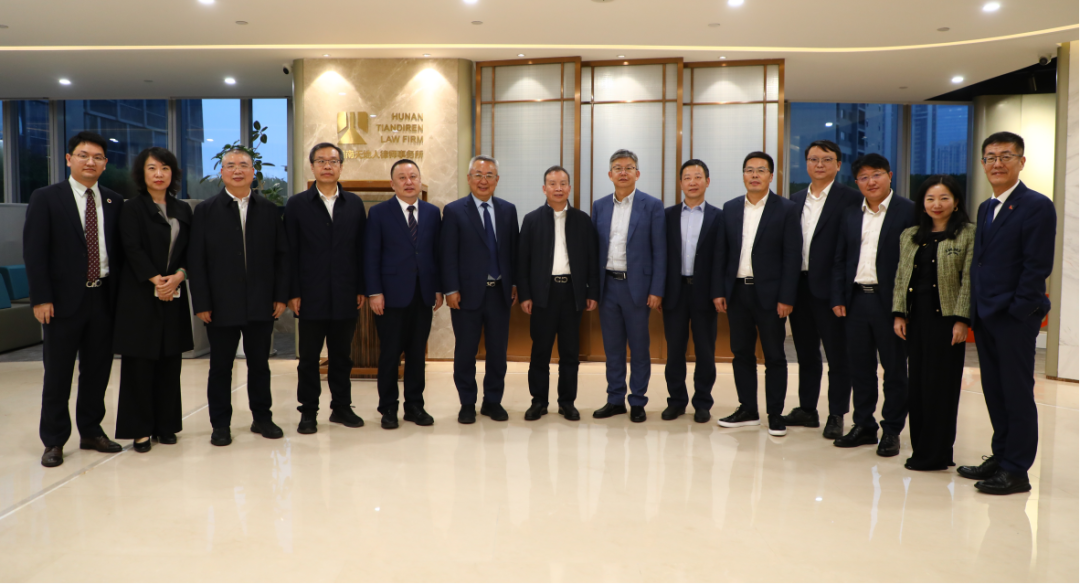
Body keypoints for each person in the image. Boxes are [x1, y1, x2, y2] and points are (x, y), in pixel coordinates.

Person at [958, 131, 1055, 495]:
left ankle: (1016, 470)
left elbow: (1036, 265)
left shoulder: (1036, 205)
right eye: (990, 157)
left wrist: (1019, 311)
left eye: (1005, 156)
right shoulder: (987, 207)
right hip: (987, 315)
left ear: (1021, 162)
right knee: (995, 391)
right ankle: (1001, 456)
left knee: (1016, 393)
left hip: (1013, 317)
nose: (997, 163)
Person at [24, 131, 124, 467]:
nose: (90, 162)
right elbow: (34, 252)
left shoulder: (113, 200)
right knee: (58, 374)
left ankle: (91, 431)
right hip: (62, 302)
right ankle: (54, 440)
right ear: (69, 159)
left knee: (97, 371)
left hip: (103, 297)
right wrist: (41, 297)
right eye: (83, 155)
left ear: (105, 163)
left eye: (97, 157)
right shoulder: (46, 198)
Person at [188, 148, 289, 447]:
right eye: (230, 165)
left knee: (260, 365)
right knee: (220, 367)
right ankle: (220, 425)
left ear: (253, 172)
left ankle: (262, 418)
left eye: (243, 165)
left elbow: (282, 257)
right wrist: (202, 302)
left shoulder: (269, 210)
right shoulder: (206, 210)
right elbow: (197, 260)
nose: (237, 170)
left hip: (261, 302)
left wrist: (280, 296)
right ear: (221, 173)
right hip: (220, 305)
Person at [830, 153, 915, 456]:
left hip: (890, 304)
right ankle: (864, 425)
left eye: (876, 174)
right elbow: (840, 258)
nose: (870, 182)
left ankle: (891, 430)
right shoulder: (851, 213)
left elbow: (914, 262)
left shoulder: (909, 211)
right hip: (856, 300)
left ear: (889, 176)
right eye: (863, 177)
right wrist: (838, 297)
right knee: (860, 368)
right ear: (857, 182)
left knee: (894, 370)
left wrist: (903, 308)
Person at [113, 147, 194, 453]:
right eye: (152, 168)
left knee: (170, 362)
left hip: (174, 292)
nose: (159, 174)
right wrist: (156, 280)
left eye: (165, 168)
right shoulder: (131, 208)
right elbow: (131, 248)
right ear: (142, 173)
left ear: (173, 173)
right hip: (140, 296)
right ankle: (140, 430)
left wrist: (179, 276)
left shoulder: (182, 209)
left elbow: (191, 250)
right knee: (140, 365)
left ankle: (166, 425)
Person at [892, 175, 975, 471]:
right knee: (918, 386)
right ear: (922, 203)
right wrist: (899, 313)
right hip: (916, 320)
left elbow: (969, 279)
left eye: (943, 198)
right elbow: (902, 275)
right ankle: (921, 450)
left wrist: (962, 319)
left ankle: (938, 454)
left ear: (956, 202)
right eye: (930, 199)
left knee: (941, 387)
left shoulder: (968, 233)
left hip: (947, 322)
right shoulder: (911, 235)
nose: (936, 204)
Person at [717, 152, 801, 436]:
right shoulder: (730, 208)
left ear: (771, 176)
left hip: (771, 296)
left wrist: (787, 297)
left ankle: (775, 414)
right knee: (741, 353)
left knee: (774, 355)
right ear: (743, 175)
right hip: (737, 292)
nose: (754, 175)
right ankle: (747, 409)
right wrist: (720, 291)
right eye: (749, 170)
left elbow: (792, 256)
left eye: (761, 170)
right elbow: (723, 253)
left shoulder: (786, 209)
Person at [285, 143, 367, 434]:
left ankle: (341, 407)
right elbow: (290, 251)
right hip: (310, 294)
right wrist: (293, 292)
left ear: (341, 166)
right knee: (308, 358)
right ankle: (308, 411)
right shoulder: (297, 204)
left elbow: (361, 250)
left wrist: (360, 287)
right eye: (321, 161)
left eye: (333, 161)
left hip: (345, 292)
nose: (327, 166)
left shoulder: (354, 203)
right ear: (312, 166)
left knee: (342, 356)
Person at [784, 140, 862, 438]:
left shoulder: (851, 199)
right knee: (805, 353)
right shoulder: (794, 200)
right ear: (806, 163)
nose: (819, 164)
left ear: (838, 165)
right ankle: (807, 409)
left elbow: (852, 248)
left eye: (826, 159)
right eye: (813, 159)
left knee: (838, 356)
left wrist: (842, 291)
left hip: (832, 291)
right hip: (799, 288)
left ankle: (836, 413)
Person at [365, 159, 443, 429]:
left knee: (417, 355)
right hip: (390, 296)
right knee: (390, 354)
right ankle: (388, 408)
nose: (408, 182)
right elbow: (371, 255)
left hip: (423, 295)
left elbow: (436, 254)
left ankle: (414, 406)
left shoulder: (432, 212)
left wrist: (438, 288)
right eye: (402, 177)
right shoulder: (379, 213)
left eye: (413, 176)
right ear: (392, 184)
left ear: (420, 181)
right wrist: (374, 292)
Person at [441, 155, 519, 424]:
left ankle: (492, 401)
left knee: (498, 352)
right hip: (466, 294)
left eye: (489, 176)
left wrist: (514, 283)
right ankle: (467, 402)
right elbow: (448, 253)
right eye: (478, 175)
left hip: (499, 292)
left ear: (497, 180)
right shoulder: (454, 211)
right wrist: (451, 289)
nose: (483, 181)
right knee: (465, 352)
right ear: (468, 178)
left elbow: (513, 251)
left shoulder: (508, 210)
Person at [518, 165, 599, 421]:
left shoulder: (582, 220)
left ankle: (567, 402)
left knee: (570, 353)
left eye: (563, 183)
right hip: (543, 294)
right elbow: (522, 262)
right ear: (544, 189)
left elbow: (592, 259)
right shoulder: (532, 220)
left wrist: (592, 292)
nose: (558, 188)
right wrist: (525, 295)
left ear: (569, 188)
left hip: (572, 293)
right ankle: (538, 402)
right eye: (552, 184)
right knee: (540, 352)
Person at [591, 149, 666, 423]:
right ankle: (615, 400)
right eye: (618, 168)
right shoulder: (599, 206)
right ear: (610, 174)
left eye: (629, 167)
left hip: (638, 288)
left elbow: (660, 251)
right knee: (612, 348)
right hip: (607, 286)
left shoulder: (652, 205)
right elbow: (593, 251)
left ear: (637, 173)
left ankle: (637, 401)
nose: (623, 172)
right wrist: (592, 290)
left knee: (639, 347)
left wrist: (656, 289)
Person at [661, 159, 725, 424]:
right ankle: (676, 401)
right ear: (680, 183)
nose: (692, 182)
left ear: (707, 182)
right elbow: (661, 256)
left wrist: (719, 291)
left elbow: (721, 258)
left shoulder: (719, 216)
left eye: (698, 177)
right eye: (687, 177)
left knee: (705, 352)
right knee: (674, 351)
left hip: (705, 294)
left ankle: (702, 402)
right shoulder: (667, 216)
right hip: (674, 293)